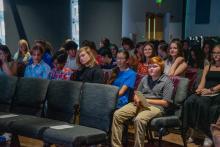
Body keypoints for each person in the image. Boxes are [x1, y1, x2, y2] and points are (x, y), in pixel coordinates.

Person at [111, 56, 174, 147]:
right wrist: (136, 98)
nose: (151, 69)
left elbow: (166, 102)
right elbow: (137, 93)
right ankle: (116, 145)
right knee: (117, 114)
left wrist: (146, 100)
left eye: (154, 66)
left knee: (139, 119)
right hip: (140, 103)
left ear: (161, 68)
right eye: (150, 66)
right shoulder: (145, 78)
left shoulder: (167, 81)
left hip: (156, 107)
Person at [183, 44, 220, 147]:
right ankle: (191, 129)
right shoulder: (207, 66)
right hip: (205, 91)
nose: (216, 55)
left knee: (201, 102)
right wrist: (199, 89)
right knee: (189, 101)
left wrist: (210, 90)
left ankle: (207, 134)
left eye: (218, 53)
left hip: (216, 92)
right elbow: (203, 81)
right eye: (214, 53)